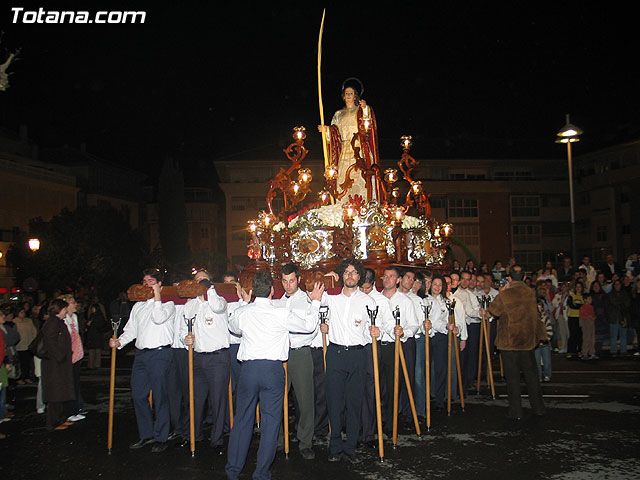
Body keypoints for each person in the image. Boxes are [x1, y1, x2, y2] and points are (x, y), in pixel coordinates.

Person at [225, 271, 323, 480]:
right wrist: (315, 303)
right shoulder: (279, 312)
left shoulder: (245, 312)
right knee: (270, 422)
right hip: (272, 370)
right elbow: (308, 326)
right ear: (272, 291)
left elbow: (232, 326)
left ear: (252, 292)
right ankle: (261, 472)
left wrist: (244, 303)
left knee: (242, 419)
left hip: (249, 370)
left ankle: (233, 469)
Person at [109, 268, 176, 453]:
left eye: (151, 281)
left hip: (160, 354)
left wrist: (156, 297)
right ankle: (146, 434)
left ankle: (161, 436)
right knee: (138, 395)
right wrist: (119, 341)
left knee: (160, 396)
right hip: (141, 354)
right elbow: (131, 329)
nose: (147, 284)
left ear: (159, 284)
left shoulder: (168, 304)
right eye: (145, 281)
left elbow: (158, 317)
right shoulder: (138, 306)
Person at [319, 258, 378, 462]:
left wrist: (377, 330)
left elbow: (377, 326)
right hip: (335, 354)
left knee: (354, 403)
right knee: (334, 403)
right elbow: (314, 291)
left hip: (358, 355)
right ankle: (335, 446)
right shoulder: (331, 297)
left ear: (359, 276)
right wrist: (328, 278)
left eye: (353, 272)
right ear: (341, 275)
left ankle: (351, 446)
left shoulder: (369, 302)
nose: (350, 276)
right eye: (346, 272)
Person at [271, 263, 319, 460]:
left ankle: (305, 442)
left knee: (305, 400)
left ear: (298, 280)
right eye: (284, 281)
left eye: (291, 280)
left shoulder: (307, 301)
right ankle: (279, 441)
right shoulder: (276, 303)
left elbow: (312, 329)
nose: (288, 285)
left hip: (300, 354)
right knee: (277, 400)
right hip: (280, 355)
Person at [488, 266, 546, 420]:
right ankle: (538, 408)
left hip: (510, 341)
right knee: (531, 376)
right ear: (524, 277)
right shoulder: (529, 292)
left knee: (513, 378)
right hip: (527, 340)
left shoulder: (506, 294)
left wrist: (501, 292)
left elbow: (494, 310)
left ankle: (516, 411)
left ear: (510, 278)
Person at [182, 270, 230, 455]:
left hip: (217, 358)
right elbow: (183, 330)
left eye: (203, 279)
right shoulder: (190, 306)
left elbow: (218, 307)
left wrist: (209, 288)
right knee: (196, 399)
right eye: (197, 279)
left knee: (218, 400)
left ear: (210, 282)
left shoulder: (219, 301)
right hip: (198, 357)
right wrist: (185, 340)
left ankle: (216, 439)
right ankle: (193, 435)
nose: (199, 282)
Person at [318, 78, 381, 202]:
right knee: (343, 175)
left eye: (351, 93)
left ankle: (364, 202)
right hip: (345, 149)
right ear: (343, 96)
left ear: (356, 96)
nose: (348, 95)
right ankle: (345, 204)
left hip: (359, 147)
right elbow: (335, 131)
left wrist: (365, 109)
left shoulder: (360, 110)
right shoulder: (338, 114)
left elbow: (368, 126)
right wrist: (326, 130)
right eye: (346, 93)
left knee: (361, 175)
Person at [423, 275, 466, 411]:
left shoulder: (446, 302)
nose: (436, 287)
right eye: (434, 284)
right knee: (426, 368)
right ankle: (425, 397)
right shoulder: (424, 300)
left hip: (441, 338)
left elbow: (452, 319)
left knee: (441, 368)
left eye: (439, 285)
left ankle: (440, 398)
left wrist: (453, 327)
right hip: (427, 337)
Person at [41, 299, 75, 431]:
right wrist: (61, 356)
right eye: (65, 308)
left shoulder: (58, 322)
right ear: (60, 310)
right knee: (54, 393)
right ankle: (52, 422)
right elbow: (51, 343)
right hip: (54, 364)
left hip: (59, 363)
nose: (66, 311)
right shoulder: (52, 323)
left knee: (60, 392)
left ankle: (59, 419)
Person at [606, 279, 630, 357]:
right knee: (613, 336)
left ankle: (623, 351)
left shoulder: (625, 294)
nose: (617, 286)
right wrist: (620, 303)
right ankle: (613, 351)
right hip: (614, 317)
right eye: (615, 284)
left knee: (623, 335)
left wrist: (619, 304)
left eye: (618, 284)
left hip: (623, 317)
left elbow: (627, 304)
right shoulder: (610, 294)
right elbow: (612, 303)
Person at [14, 306, 37, 383]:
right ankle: (20, 377)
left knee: (27, 362)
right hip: (20, 346)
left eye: (24, 312)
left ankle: (27, 376)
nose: (23, 313)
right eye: (21, 312)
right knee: (21, 363)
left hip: (29, 345)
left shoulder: (29, 321)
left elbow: (34, 331)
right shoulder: (15, 322)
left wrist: (33, 340)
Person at [534, 299, 553, 381]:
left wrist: (547, 339)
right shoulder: (532, 319)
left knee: (547, 360)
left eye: (540, 307)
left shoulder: (545, 318)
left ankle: (547, 374)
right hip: (536, 344)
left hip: (544, 343)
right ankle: (538, 376)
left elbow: (550, 330)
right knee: (536, 361)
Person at [85, 303, 108, 369]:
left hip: (97, 334)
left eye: (93, 308)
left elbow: (102, 325)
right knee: (91, 350)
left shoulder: (99, 316)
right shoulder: (91, 316)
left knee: (97, 350)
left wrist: (93, 325)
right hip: (92, 335)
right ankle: (91, 364)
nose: (92, 310)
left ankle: (96, 364)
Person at [566, 283, 585, 358]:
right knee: (572, 334)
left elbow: (584, 307)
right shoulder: (571, 296)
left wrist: (577, 305)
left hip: (581, 317)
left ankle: (579, 350)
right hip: (572, 317)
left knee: (580, 335)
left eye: (580, 287)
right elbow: (572, 306)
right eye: (577, 286)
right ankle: (570, 351)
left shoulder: (584, 297)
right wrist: (580, 306)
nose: (578, 288)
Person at [579, 294, 597, 360]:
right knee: (586, 338)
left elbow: (592, 314)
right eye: (589, 299)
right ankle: (584, 353)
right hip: (586, 323)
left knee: (592, 338)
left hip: (591, 323)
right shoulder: (583, 307)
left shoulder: (591, 307)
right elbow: (582, 316)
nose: (591, 300)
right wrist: (589, 317)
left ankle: (592, 352)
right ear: (585, 300)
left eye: (591, 299)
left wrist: (593, 317)